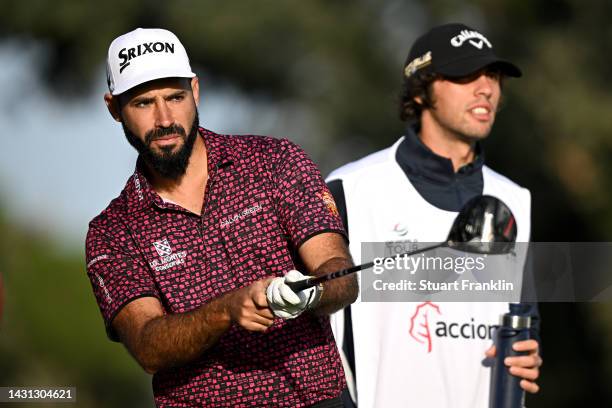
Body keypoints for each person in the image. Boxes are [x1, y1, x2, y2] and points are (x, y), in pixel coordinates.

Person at [86, 28, 358, 407]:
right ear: (115, 108)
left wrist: (313, 291)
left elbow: (341, 274)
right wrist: (227, 309)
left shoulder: (275, 162)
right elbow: (148, 347)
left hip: (317, 400)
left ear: (195, 91)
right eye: (144, 104)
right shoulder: (112, 232)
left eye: (175, 97)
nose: (165, 119)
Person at [326, 23, 542, 408]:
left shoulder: (515, 198)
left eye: (492, 76)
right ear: (422, 89)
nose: (487, 88)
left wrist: (529, 353)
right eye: (465, 74)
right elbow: (312, 334)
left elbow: (523, 319)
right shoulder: (349, 189)